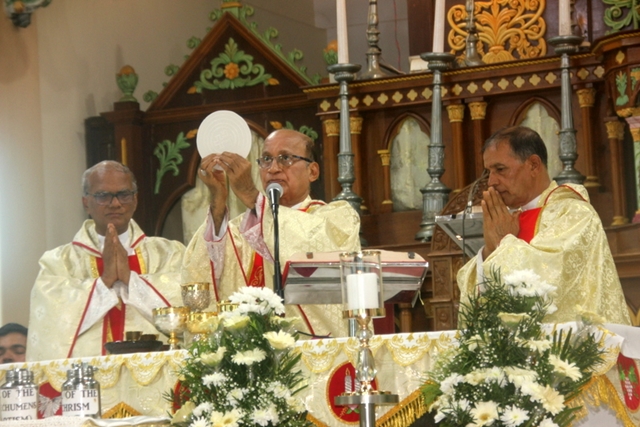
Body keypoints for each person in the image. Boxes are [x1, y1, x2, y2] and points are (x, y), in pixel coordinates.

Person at [182, 129, 361, 337]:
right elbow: (201, 271)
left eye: (285, 158)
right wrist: (218, 200)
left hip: (311, 349)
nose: (273, 169)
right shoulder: (242, 228)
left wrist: (251, 195)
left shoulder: (338, 218)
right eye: (266, 159)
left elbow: (309, 246)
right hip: (248, 351)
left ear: (312, 171)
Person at [457, 126, 631, 325]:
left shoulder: (574, 214)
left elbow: (551, 278)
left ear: (533, 165)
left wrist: (505, 242)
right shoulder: (506, 219)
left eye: (500, 169)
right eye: (488, 172)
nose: (491, 182)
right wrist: (489, 251)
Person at [27, 161, 185, 361]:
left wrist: (130, 279)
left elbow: (187, 316)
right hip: (87, 376)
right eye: (103, 195)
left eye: (124, 194)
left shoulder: (170, 253)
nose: (115, 203)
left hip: (156, 371)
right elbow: (50, 324)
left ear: (135, 200)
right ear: (86, 202)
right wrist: (105, 281)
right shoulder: (58, 262)